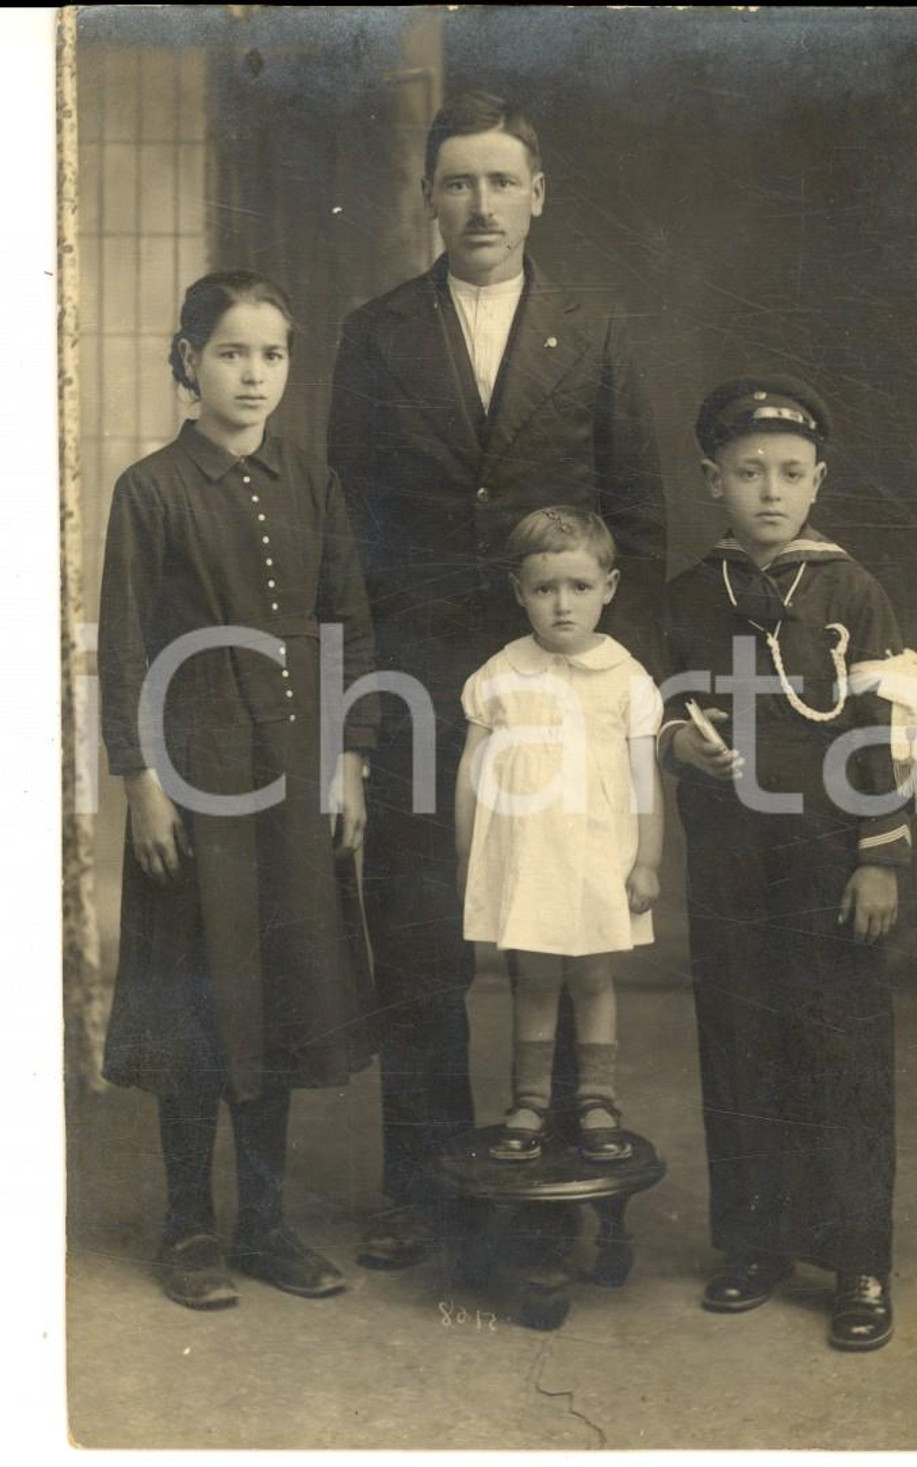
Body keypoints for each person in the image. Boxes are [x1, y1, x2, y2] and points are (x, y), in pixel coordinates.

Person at [327, 90, 667, 1262]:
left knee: (568, 926)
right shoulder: (374, 336)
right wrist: (364, 714)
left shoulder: (598, 327)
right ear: (428, 197)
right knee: (421, 937)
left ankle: (578, 1180)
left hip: (567, 692)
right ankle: (423, 1186)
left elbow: (638, 516)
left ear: (537, 194)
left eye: (500, 180)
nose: (480, 203)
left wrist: (626, 693)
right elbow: (345, 537)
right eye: (457, 181)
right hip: (425, 690)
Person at [98, 271, 379, 1310]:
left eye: (271, 354)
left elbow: (349, 623)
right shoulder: (152, 490)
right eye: (230, 351)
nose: (252, 374)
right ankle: (187, 1228)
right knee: (199, 1003)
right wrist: (142, 783)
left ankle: (264, 1223)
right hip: (193, 776)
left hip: (295, 774)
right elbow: (122, 651)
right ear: (188, 361)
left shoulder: (313, 482)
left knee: (280, 990)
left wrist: (350, 761)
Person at [658, 377, 917, 1351]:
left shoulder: (850, 591)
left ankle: (858, 1259)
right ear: (710, 481)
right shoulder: (693, 596)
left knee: (840, 1049)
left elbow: (888, 732)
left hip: (826, 860)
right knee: (737, 1039)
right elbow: (660, 706)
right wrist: (670, 742)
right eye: (746, 472)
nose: (768, 492)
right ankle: (754, 1240)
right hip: (730, 861)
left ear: (817, 481)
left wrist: (880, 857)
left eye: (788, 473)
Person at [455, 508, 664, 1163]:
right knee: (537, 979)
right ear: (520, 592)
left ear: (609, 586)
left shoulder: (628, 678)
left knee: (594, 979)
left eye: (578, 586)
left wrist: (648, 861)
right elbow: (471, 771)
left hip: (601, 857)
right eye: (544, 589)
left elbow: (644, 779)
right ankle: (531, 1098)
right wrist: (468, 858)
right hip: (530, 858)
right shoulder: (499, 673)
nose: (562, 604)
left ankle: (597, 1096)